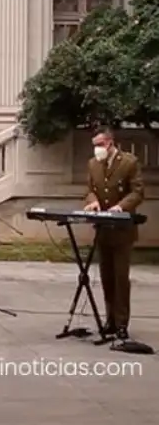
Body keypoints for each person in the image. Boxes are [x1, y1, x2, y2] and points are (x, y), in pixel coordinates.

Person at [84, 126, 144, 340]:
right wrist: (93, 202)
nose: (97, 150)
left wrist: (122, 206)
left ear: (110, 143)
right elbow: (90, 189)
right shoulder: (93, 164)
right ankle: (109, 319)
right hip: (103, 230)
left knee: (120, 278)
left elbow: (137, 191)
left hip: (122, 230)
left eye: (100, 145)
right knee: (106, 277)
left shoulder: (129, 162)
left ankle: (121, 323)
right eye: (95, 146)